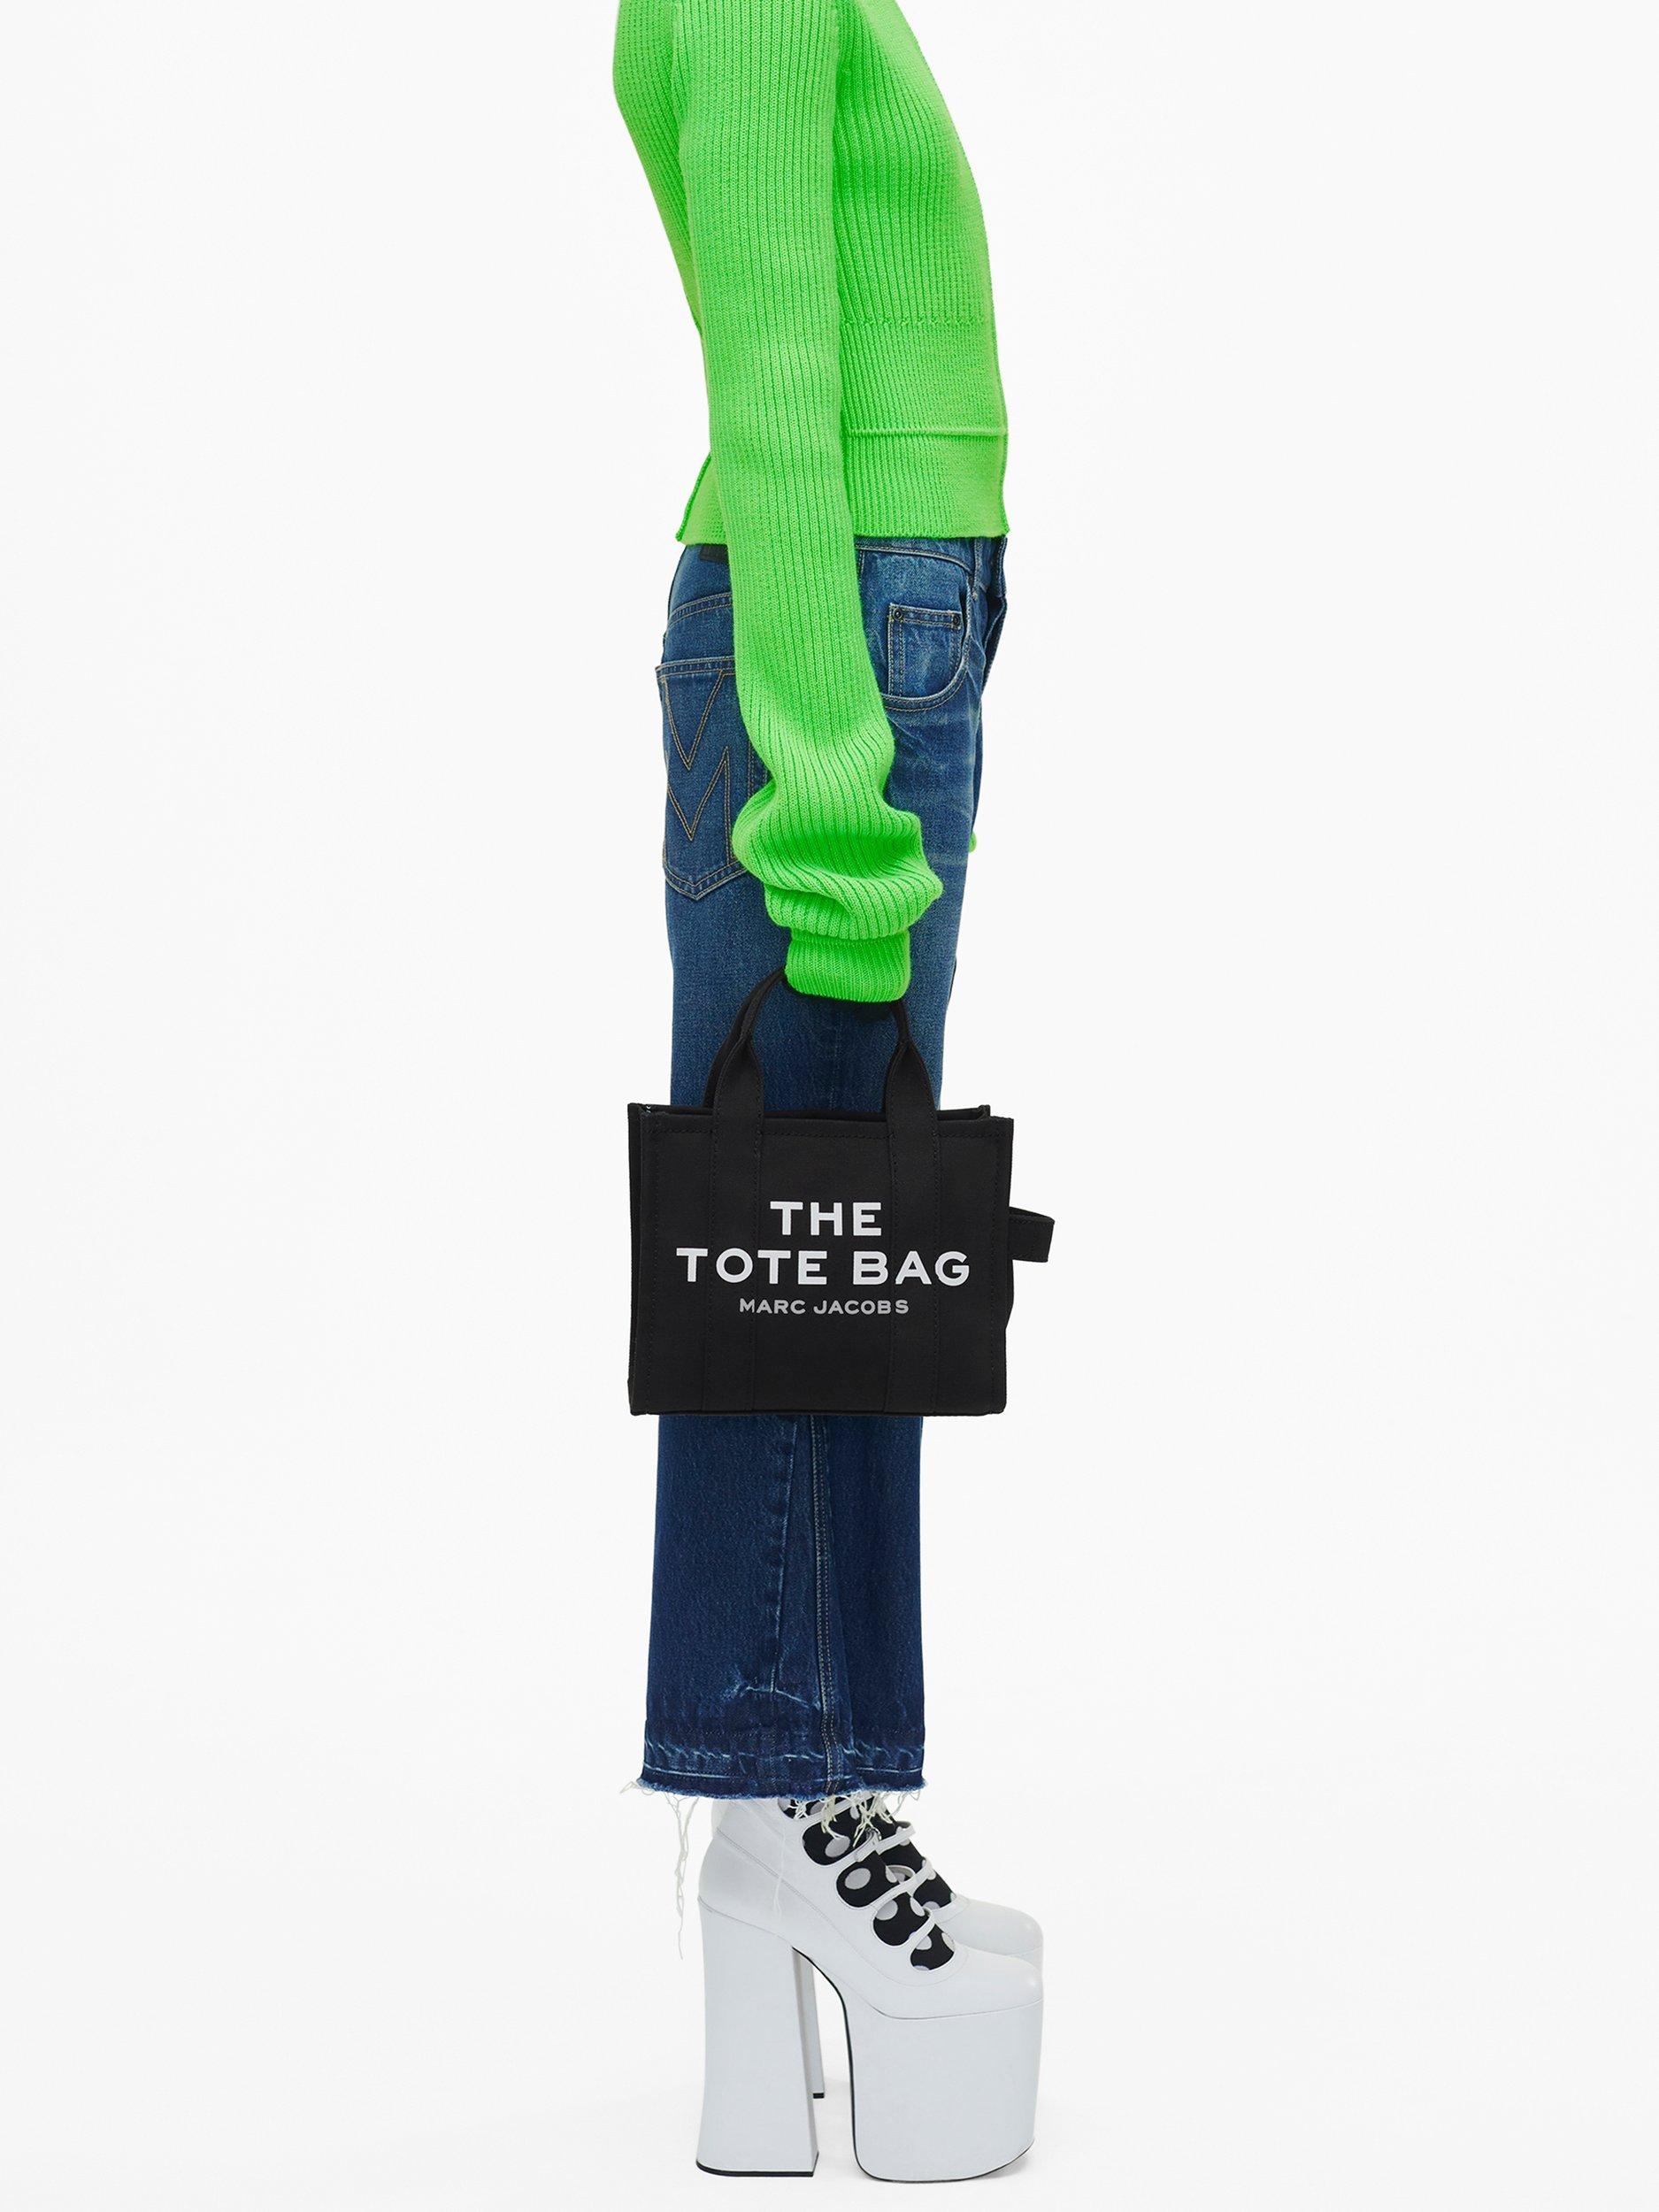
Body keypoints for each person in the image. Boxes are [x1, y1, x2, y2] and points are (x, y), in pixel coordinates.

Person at [614, 1, 1042, 2179]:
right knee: (792, 1240)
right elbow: (775, 384)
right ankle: (783, 1796)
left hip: (856, 619)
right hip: (836, 647)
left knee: (832, 1253)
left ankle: (805, 1787)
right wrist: (830, 793)